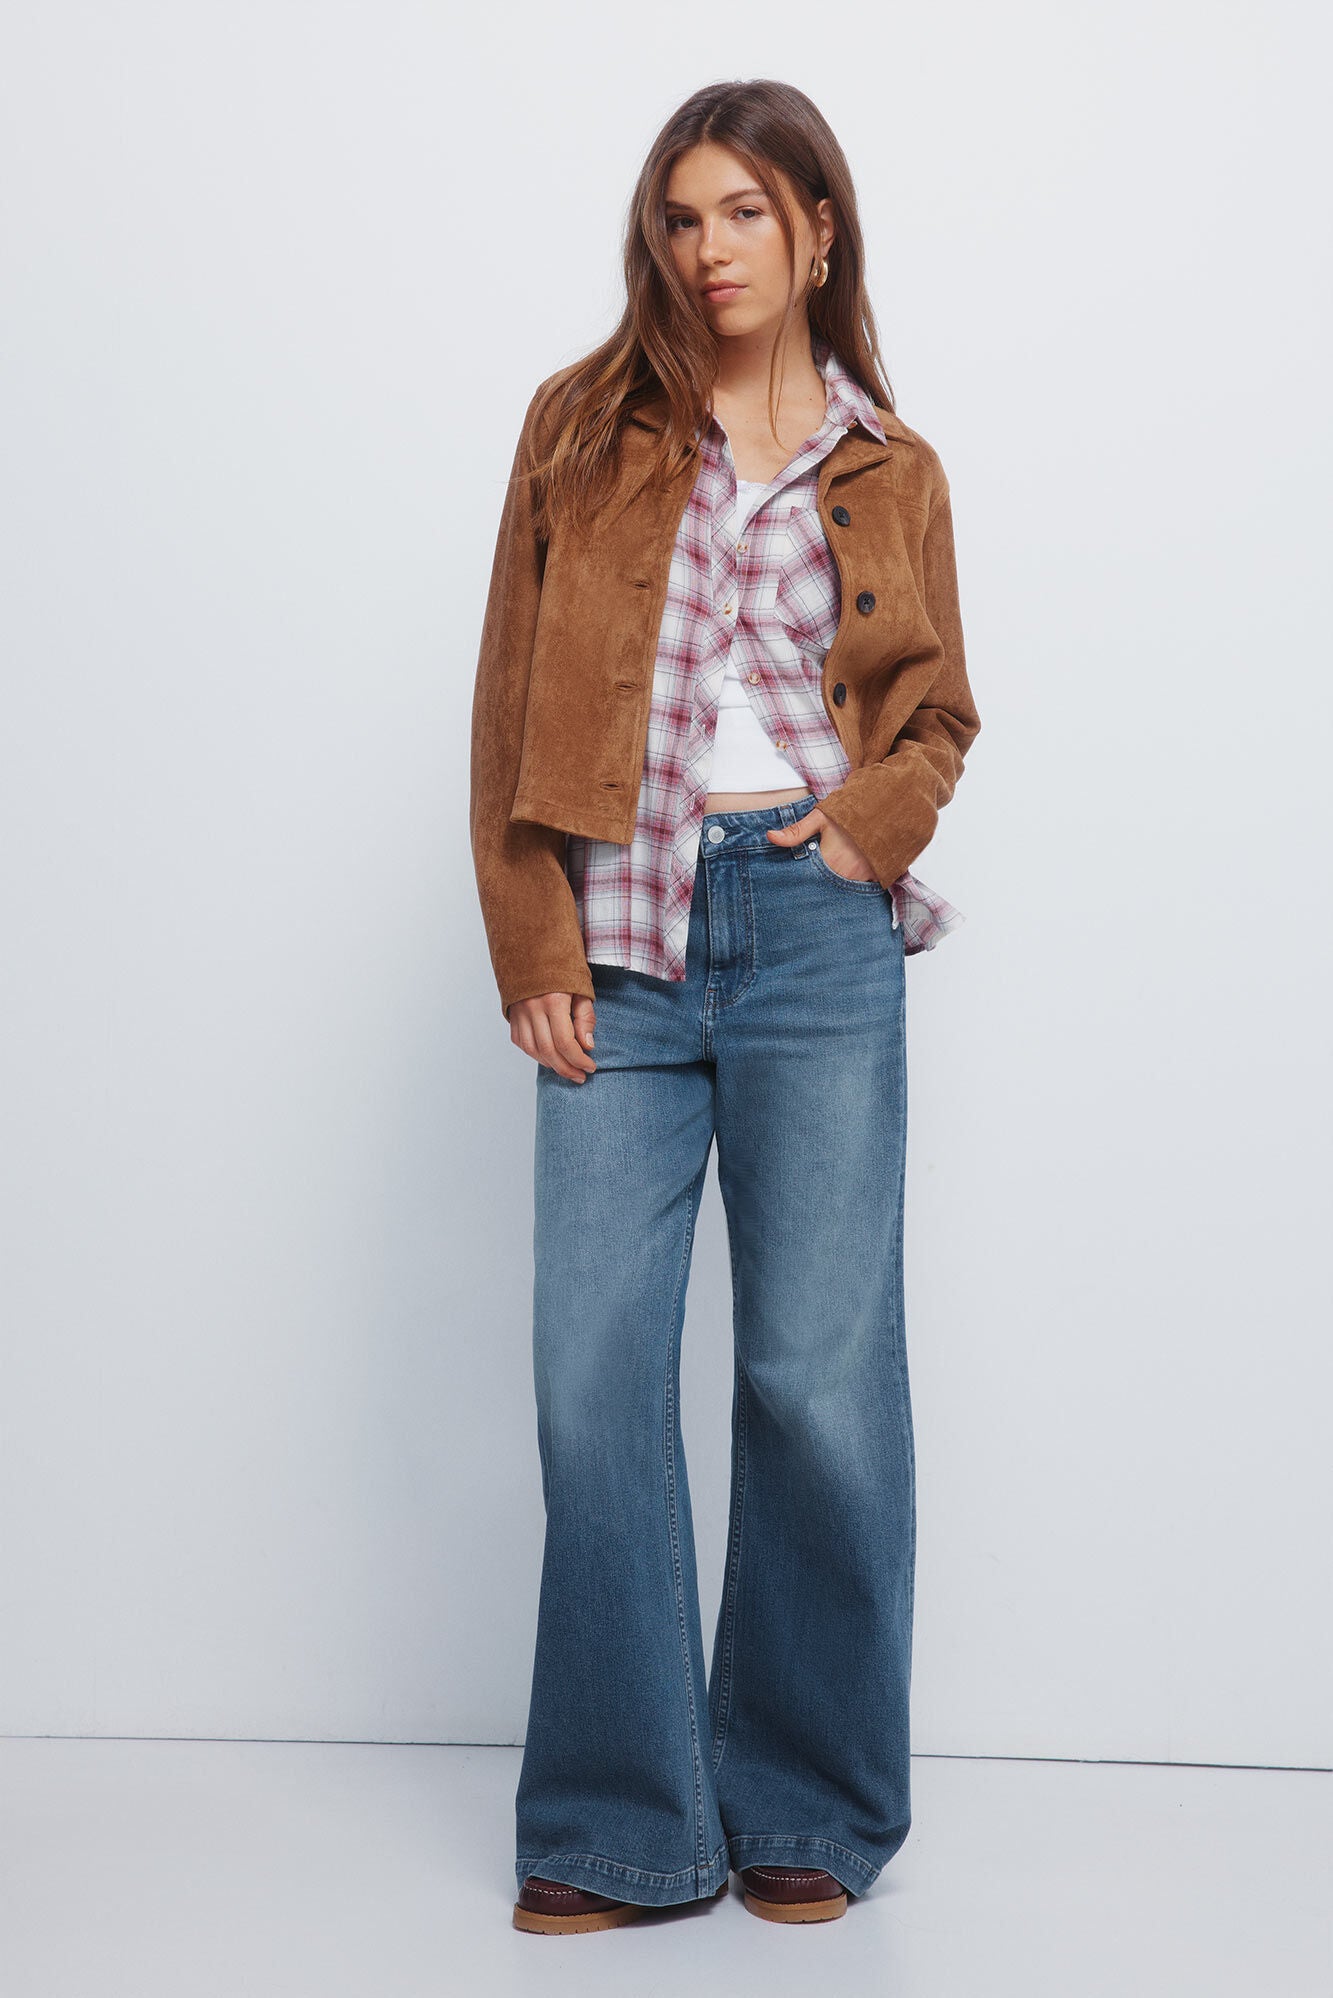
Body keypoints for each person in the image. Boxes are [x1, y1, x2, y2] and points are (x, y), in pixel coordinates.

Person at [468, 76, 981, 1936]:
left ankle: (806, 1799)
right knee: (593, 1376)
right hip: (617, 938)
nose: (709, 249)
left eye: (746, 212)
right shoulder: (580, 426)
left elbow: (936, 712)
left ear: (815, 233)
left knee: (815, 1377)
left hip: (813, 928)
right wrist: (532, 939)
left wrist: (861, 834)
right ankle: (620, 1823)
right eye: (682, 217)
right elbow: (505, 696)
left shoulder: (888, 465)